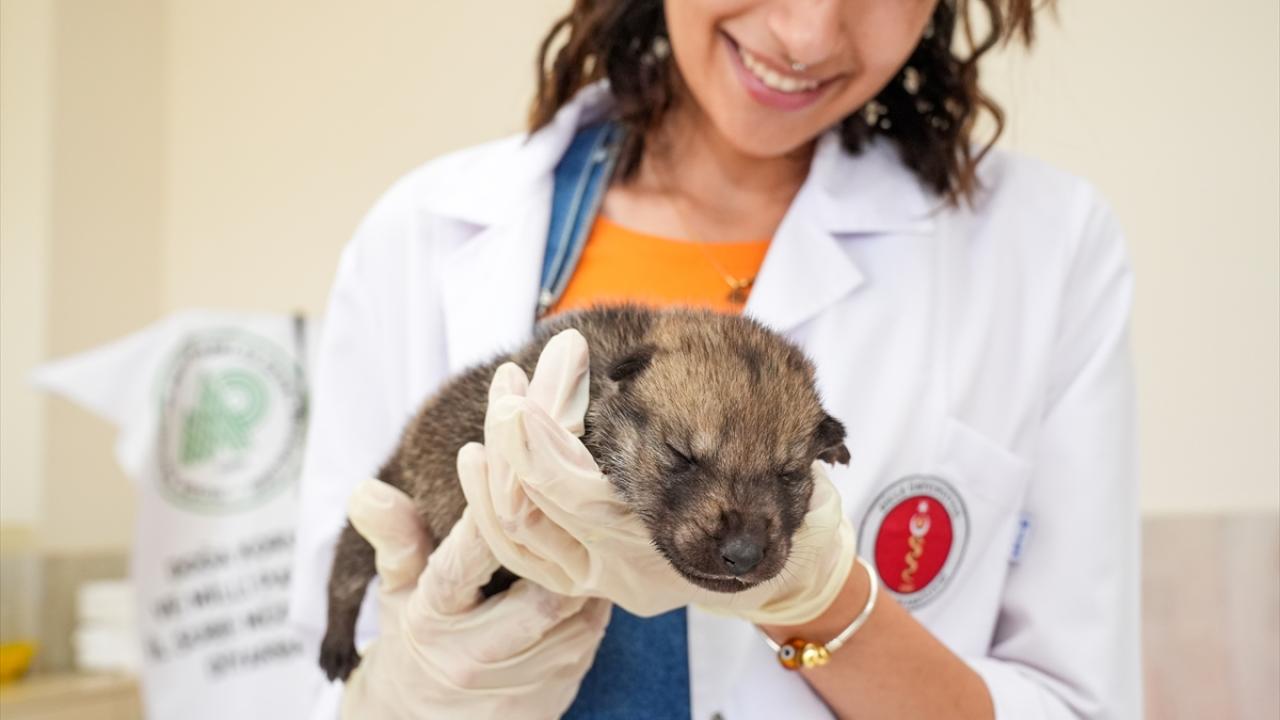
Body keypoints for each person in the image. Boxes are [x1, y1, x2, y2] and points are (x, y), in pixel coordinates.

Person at [290, 0, 1141, 718]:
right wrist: (405, 697)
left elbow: (1070, 702)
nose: (805, 35)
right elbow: (305, 678)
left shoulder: (1047, 249)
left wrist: (820, 601)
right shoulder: (423, 233)